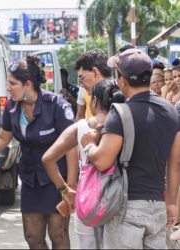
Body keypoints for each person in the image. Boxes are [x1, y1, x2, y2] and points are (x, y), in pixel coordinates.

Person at [0, 55, 78, 249]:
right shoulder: (12, 107)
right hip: (29, 178)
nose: (8, 88)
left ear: (27, 84)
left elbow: (71, 147)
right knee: (32, 236)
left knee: (58, 234)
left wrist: (70, 186)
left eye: (12, 83)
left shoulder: (56, 106)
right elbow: (3, 138)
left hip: (56, 180)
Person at [80, 48, 180, 249]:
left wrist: (88, 144)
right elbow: (175, 163)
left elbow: (102, 160)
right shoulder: (170, 111)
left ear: (122, 80)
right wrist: (171, 203)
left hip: (126, 208)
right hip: (158, 207)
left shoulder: (120, 113)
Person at [42, 79, 125, 249]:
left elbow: (48, 159)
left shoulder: (81, 127)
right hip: (119, 200)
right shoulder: (126, 125)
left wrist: (64, 189)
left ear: (94, 101)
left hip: (88, 202)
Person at [75, 49, 112, 121]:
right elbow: (80, 116)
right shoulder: (84, 90)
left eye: (82, 78)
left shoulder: (119, 93)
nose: (82, 85)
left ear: (95, 72)